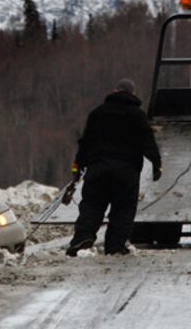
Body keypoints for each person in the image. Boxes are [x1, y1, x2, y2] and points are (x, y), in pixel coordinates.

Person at [66, 78, 163, 256]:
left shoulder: (97, 113)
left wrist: (77, 167)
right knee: (123, 209)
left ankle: (82, 239)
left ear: (115, 91)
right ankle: (115, 246)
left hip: (98, 169)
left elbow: (86, 142)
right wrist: (157, 166)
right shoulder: (138, 115)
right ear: (133, 94)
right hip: (126, 173)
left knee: (92, 205)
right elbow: (148, 142)